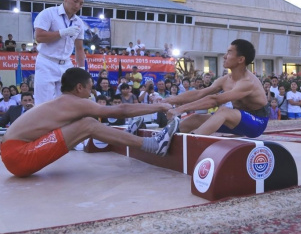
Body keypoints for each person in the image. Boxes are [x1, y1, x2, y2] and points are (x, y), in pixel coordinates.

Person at [0, 68, 179, 178]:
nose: (90, 92)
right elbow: (121, 110)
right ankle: (153, 145)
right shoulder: (72, 102)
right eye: (89, 87)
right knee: (87, 124)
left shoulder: (62, 101)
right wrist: (159, 107)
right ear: (79, 87)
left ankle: (130, 136)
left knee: (85, 123)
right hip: (18, 155)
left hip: (14, 153)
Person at [164, 39, 268, 138]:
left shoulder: (248, 82)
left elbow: (215, 100)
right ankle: (162, 139)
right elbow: (199, 93)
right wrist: (169, 100)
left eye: (229, 53)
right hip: (236, 122)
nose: (224, 56)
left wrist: (180, 109)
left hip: (257, 123)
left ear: (241, 59)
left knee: (223, 111)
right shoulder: (224, 80)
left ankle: (194, 141)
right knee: (194, 119)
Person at [33, 0, 86, 105]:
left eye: (81, 4)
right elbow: (39, 37)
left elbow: (79, 48)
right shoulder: (48, 14)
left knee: (67, 103)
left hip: (66, 64)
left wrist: (82, 70)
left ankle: (63, 124)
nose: (77, 6)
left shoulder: (79, 22)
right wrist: (62, 32)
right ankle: (43, 124)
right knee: (43, 103)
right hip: (47, 62)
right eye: (75, 1)